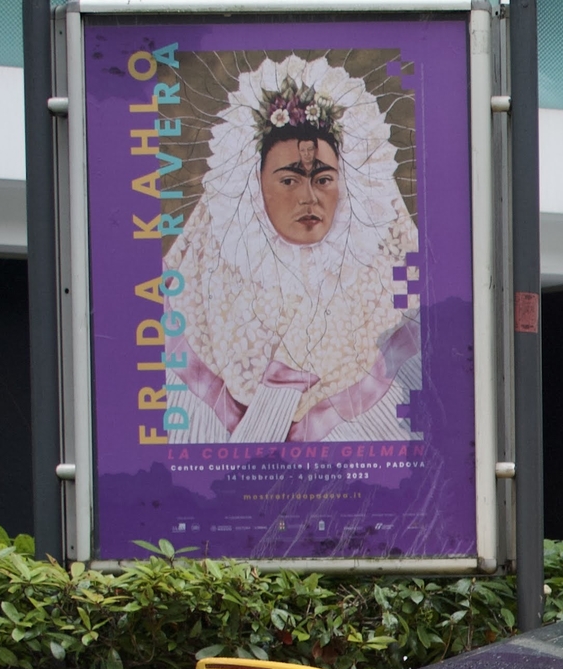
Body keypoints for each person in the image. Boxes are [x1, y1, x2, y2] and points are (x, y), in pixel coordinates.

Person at [166, 55, 422, 444]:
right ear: (254, 188)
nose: (308, 198)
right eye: (289, 180)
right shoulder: (205, 299)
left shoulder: (385, 299)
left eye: (323, 179)